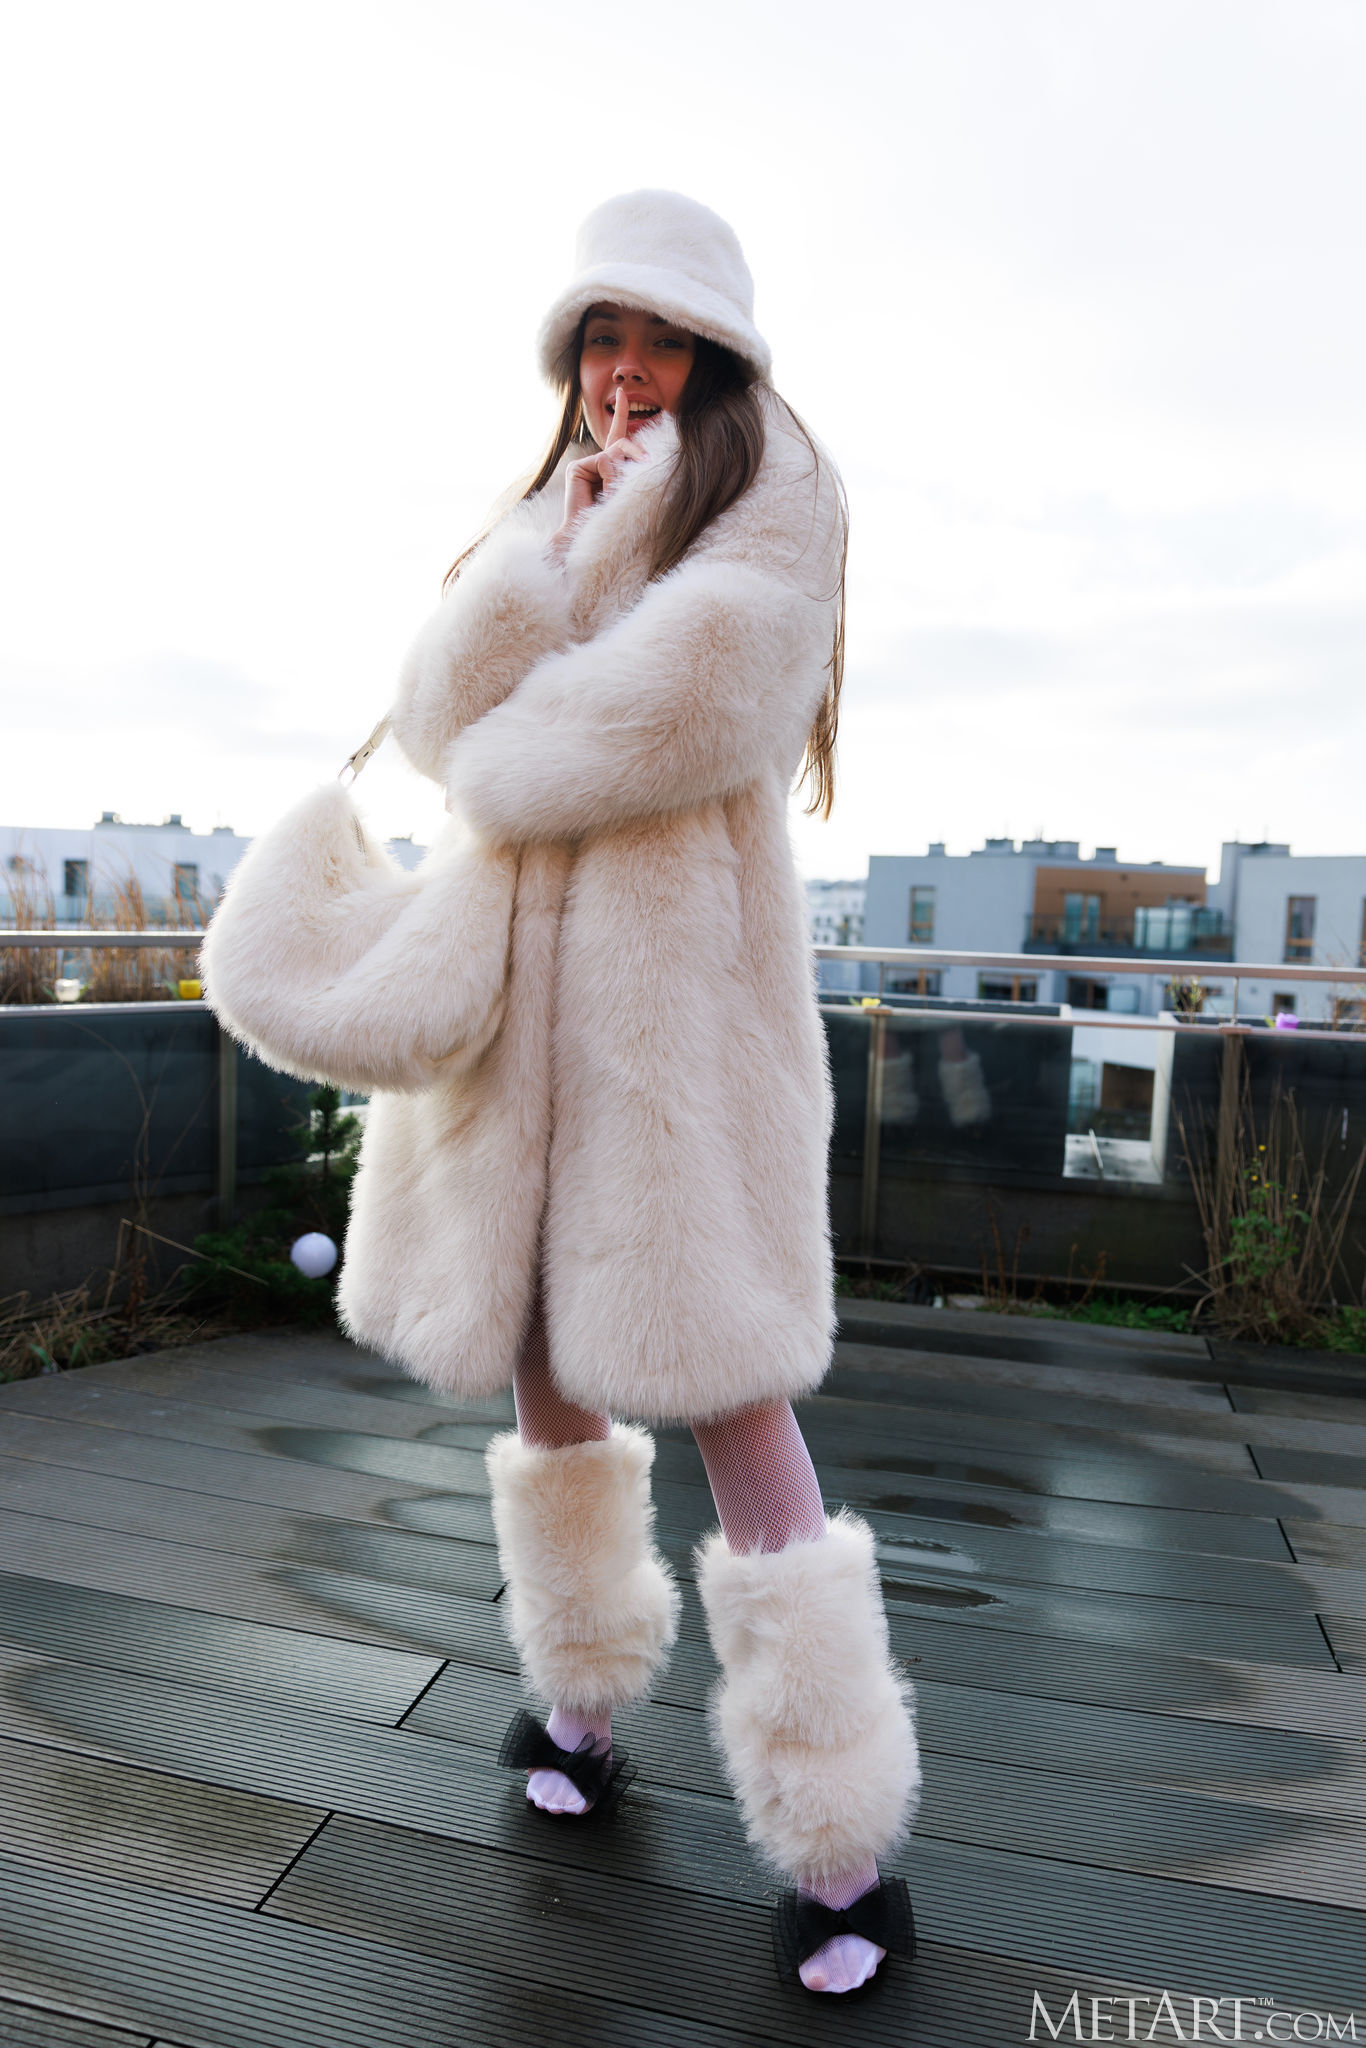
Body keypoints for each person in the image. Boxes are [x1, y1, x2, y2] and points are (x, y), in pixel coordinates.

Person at [336, 189, 922, 1997]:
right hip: (519, 1019)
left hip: (677, 1029)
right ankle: (579, 1704)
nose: (628, 367)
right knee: (541, 1363)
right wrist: (550, 555)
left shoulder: (779, 494)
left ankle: (842, 1841)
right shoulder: (550, 510)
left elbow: (681, 716)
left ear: (718, 353)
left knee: (729, 1385)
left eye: (662, 336)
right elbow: (436, 720)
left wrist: (542, 664)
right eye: (604, 333)